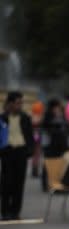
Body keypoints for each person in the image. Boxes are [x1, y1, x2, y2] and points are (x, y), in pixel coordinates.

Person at [0, 91, 34, 220]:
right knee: (6, 183)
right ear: (10, 103)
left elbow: (30, 135)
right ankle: (5, 211)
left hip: (21, 152)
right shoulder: (3, 118)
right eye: (17, 103)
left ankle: (15, 211)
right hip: (7, 152)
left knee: (19, 183)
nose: (19, 106)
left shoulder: (25, 117)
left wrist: (29, 150)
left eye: (21, 103)